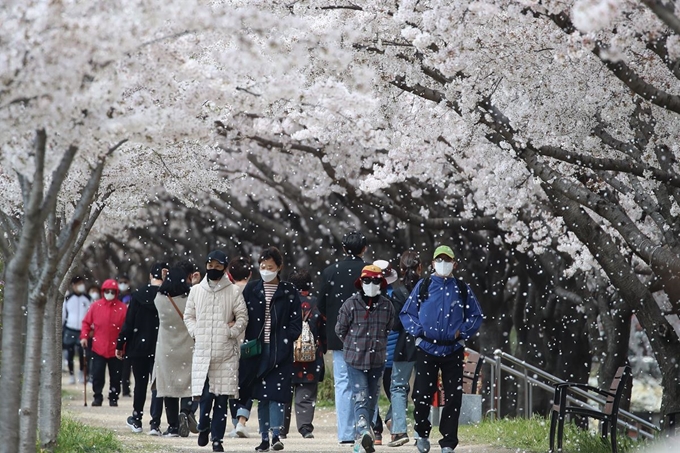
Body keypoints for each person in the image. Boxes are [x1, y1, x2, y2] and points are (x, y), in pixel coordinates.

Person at [400, 245, 484, 453]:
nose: (443, 264)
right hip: (427, 349)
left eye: (447, 260)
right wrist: (419, 331)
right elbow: (406, 314)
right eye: (440, 260)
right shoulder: (424, 285)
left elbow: (476, 316)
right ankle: (421, 432)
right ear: (433, 263)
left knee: (454, 397)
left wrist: (461, 332)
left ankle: (448, 442)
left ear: (454, 264)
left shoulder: (462, 288)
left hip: (453, 350)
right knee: (421, 394)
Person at [237, 246, 302, 452]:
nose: (266, 270)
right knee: (261, 396)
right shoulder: (252, 289)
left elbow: (296, 323)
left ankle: (276, 434)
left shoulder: (288, 291)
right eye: (262, 266)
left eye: (270, 266)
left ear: (279, 267)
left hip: (280, 352)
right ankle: (264, 437)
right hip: (256, 352)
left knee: (277, 394)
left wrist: (286, 338)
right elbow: (242, 315)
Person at [184, 250, 248, 453]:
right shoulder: (196, 291)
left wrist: (230, 332)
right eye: (210, 266)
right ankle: (203, 425)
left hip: (225, 354)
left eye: (217, 266)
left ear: (224, 268)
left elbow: (242, 318)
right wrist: (196, 332)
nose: (213, 269)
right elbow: (189, 316)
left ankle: (217, 440)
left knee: (221, 398)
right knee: (204, 397)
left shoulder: (234, 292)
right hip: (203, 352)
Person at [336, 264, 395, 453]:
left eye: (376, 281)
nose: (371, 284)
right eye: (367, 280)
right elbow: (340, 329)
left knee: (371, 399)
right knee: (360, 396)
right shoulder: (350, 305)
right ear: (360, 283)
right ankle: (362, 430)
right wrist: (353, 345)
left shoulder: (387, 306)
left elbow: (388, 328)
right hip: (355, 360)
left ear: (381, 283)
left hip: (377, 360)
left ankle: (362, 436)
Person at [317, 231, 367, 444]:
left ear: (344, 248)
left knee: (343, 383)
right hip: (365, 335)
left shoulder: (330, 272)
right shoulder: (368, 271)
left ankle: (346, 433)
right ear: (363, 249)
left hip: (340, 337)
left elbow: (320, 305)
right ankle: (363, 428)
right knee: (364, 383)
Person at [117, 262, 166, 435]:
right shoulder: (168, 295)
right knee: (158, 386)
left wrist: (121, 343)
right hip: (161, 346)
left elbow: (129, 322)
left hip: (139, 346)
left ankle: (137, 419)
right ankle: (155, 423)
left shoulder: (138, 295)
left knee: (140, 383)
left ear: (151, 276)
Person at [153, 260, 200, 438]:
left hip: (166, 349)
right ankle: (186, 411)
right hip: (188, 347)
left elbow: (162, 290)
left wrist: (166, 279)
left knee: (168, 386)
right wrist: (194, 284)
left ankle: (172, 426)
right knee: (188, 383)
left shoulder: (160, 300)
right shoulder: (192, 298)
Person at [282, 269, 326, 439]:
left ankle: (280, 428)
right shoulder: (316, 304)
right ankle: (305, 427)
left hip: (286, 353)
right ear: (309, 284)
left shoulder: (284, 302)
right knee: (306, 392)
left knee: (283, 391)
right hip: (310, 355)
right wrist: (323, 346)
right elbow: (323, 329)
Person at [387, 251, 422, 447]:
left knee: (399, 387)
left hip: (404, 346)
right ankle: (420, 432)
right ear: (420, 268)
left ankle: (399, 431)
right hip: (426, 345)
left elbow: (395, 326)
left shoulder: (399, 293)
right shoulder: (428, 289)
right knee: (422, 389)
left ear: (401, 269)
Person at [80, 279, 128, 407]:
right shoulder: (96, 306)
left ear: (117, 292)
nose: (110, 293)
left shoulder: (122, 308)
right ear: (103, 292)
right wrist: (84, 336)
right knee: (97, 374)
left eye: (113, 291)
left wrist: (124, 344)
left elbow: (126, 328)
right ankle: (97, 396)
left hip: (116, 349)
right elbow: (86, 323)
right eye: (107, 291)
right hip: (98, 347)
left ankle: (113, 397)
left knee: (116, 376)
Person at [226, 256, 254, 439]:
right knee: (248, 383)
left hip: (230, 343)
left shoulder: (226, 292)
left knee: (231, 383)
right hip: (251, 344)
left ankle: (236, 423)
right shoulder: (256, 290)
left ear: (229, 274)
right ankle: (242, 419)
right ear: (250, 274)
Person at [62, 276, 92, 385]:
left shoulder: (87, 298)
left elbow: (90, 314)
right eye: (78, 284)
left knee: (82, 353)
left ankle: (81, 372)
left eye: (82, 283)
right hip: (70, 328)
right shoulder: (68, 298)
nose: (81, 286)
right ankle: (71, 374)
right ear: (73, 285)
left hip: (82, 330)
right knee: (69, 353)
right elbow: (63, 314)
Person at [117, 274, 134, 397]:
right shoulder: (116, 297)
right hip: (119, 330)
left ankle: (126, 389)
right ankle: (117, 387)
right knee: (119, 365)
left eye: (125, 282)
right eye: (120, 282)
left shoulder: (132, 297)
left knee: (127, 364)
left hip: (130, 330)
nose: (123, 284)